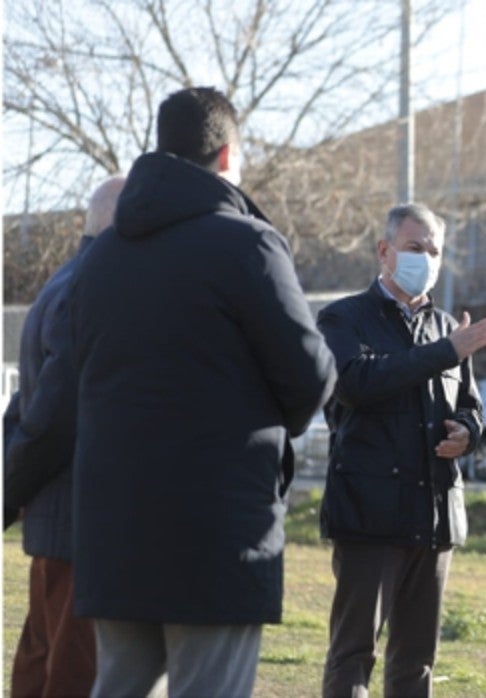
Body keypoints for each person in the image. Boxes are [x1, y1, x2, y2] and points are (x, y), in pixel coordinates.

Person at [62, 86, 337, 696]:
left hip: (115, 528)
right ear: (227, 154)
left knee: (119, 685)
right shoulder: (247, 244)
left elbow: (82, 371)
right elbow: (311, 376)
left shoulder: (101, 258)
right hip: (216, 530)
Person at [318, 203, 486, 697]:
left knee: (416, 660)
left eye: (434, 251)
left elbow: (471, 406)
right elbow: (355, 384)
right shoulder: (343, 318)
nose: (426, 259)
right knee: (353, 655)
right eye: (414, 247)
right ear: (384, 251)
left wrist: (467, 432)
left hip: (433, 513)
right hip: (368, 514)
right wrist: (447, 351)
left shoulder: (447, 327)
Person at [2, 175, 125, 697]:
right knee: (72, 675)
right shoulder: (97, 290)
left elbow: (25, 407)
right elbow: (54, 415)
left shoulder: (62, 282)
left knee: (41, 666)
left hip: (55, 520)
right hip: (82, 523)